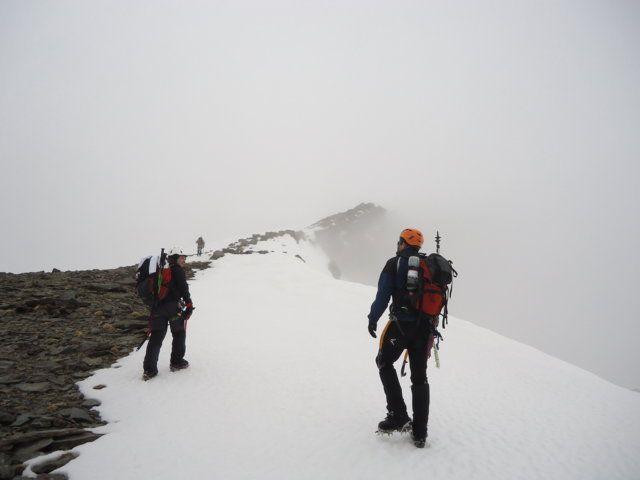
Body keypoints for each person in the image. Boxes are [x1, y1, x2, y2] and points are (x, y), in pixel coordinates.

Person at [367, 228, 432, 448]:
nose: (398, 245)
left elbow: (383, 296)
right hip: (424, 329)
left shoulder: (394, 263)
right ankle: (420, 433)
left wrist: (372, 318)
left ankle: (398, 415)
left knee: (383, 362)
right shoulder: (426, 265)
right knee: (419, 378)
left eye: (399, 241)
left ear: (403, 243)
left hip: (400, 327)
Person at [143, 246, 194, 380]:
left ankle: (149, 370)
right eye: (182, 258)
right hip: (173, 308)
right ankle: (176, 362)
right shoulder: (177, 270)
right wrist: (189, 304)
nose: (184, 260)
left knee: (156, 338)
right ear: (175, 258)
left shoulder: (160, 271)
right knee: (179, 333)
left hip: (157, 308)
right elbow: (184, 288)